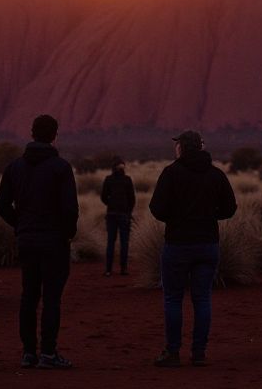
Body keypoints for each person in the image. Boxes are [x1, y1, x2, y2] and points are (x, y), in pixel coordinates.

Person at [0, 113, 79, 369]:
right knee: (52, 297)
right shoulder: (60, 167)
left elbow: (0, 204)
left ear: (32, 134)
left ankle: (29, 354)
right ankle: (49, 354)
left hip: (27, 241)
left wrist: (20, 225)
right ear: (55, 136)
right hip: (54, 241)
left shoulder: (15, 167)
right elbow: (70, 209)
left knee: (29, 295)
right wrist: (67, 232)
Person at [149, 130, 237, 367]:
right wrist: (209, 216)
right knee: (202, 299)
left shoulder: (171, 173)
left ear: (182, 148)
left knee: (173, 299)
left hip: (178, 244)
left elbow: (156, 208)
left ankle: (172, 352)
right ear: (200, 147)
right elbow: (230, 208)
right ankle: (199, 353)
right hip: (207, 244)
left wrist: (176, 219)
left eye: (177, 145)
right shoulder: (216, 174)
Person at [101, 157, 136, 276]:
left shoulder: (108, 179)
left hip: (111, 214)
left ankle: (108, 270)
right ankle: (123, 269)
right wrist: (128, 211)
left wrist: (110, 204)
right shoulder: (127, 180)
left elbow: (103, 196)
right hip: (124, 215)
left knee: (111, 241)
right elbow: (132, 199)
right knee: (124, 242)